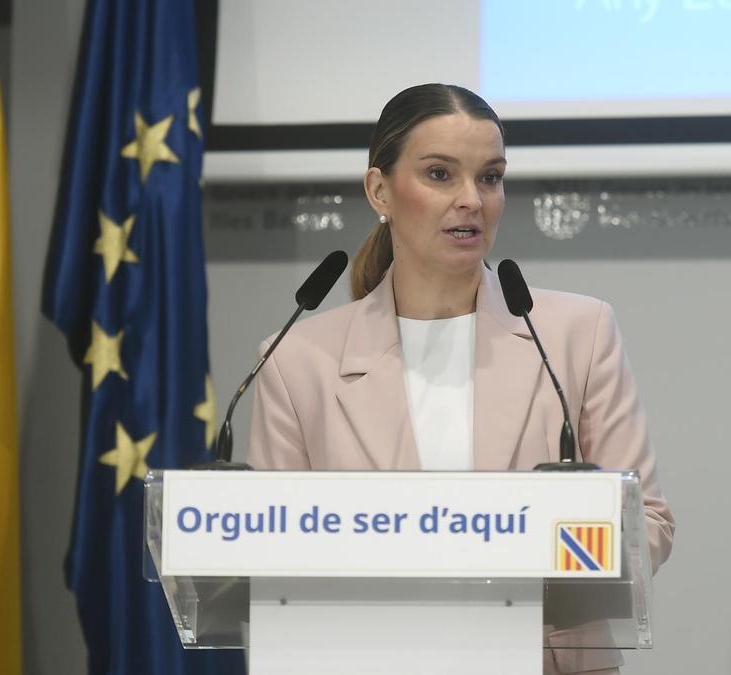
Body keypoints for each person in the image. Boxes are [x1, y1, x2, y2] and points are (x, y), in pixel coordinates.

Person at [246, 83, 674, 675]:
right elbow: (270, 550)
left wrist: (529, 560)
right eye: (440, 174)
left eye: (490, 177)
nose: (472, 199)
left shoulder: (577, 334)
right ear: (379, 191)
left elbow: (645, 524)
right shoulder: (298, 361)